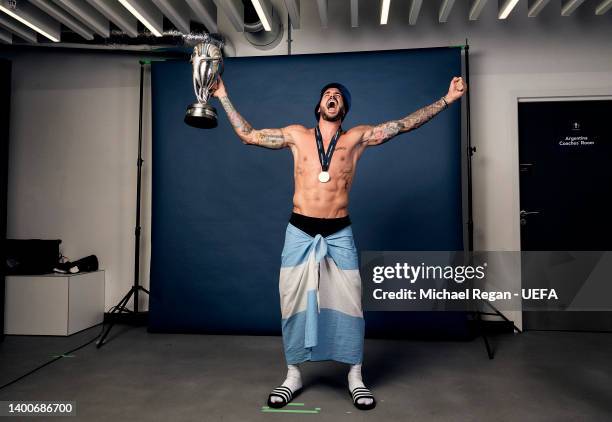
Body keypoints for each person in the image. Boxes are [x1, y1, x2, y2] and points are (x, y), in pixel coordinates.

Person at [212, 76, 466, 411]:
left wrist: (447, 99)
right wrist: (222, 95)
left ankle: (355, 375)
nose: (332, 98)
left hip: (338, 231)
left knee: (350, 302)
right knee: (291, 299)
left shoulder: (358, 138)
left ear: (343, 109)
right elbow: (248, 135)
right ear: (319, 106)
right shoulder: (296, 136)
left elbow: (403, 125)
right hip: (299, 231)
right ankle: (293, 374)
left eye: (338, 96)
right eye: (327, 95)